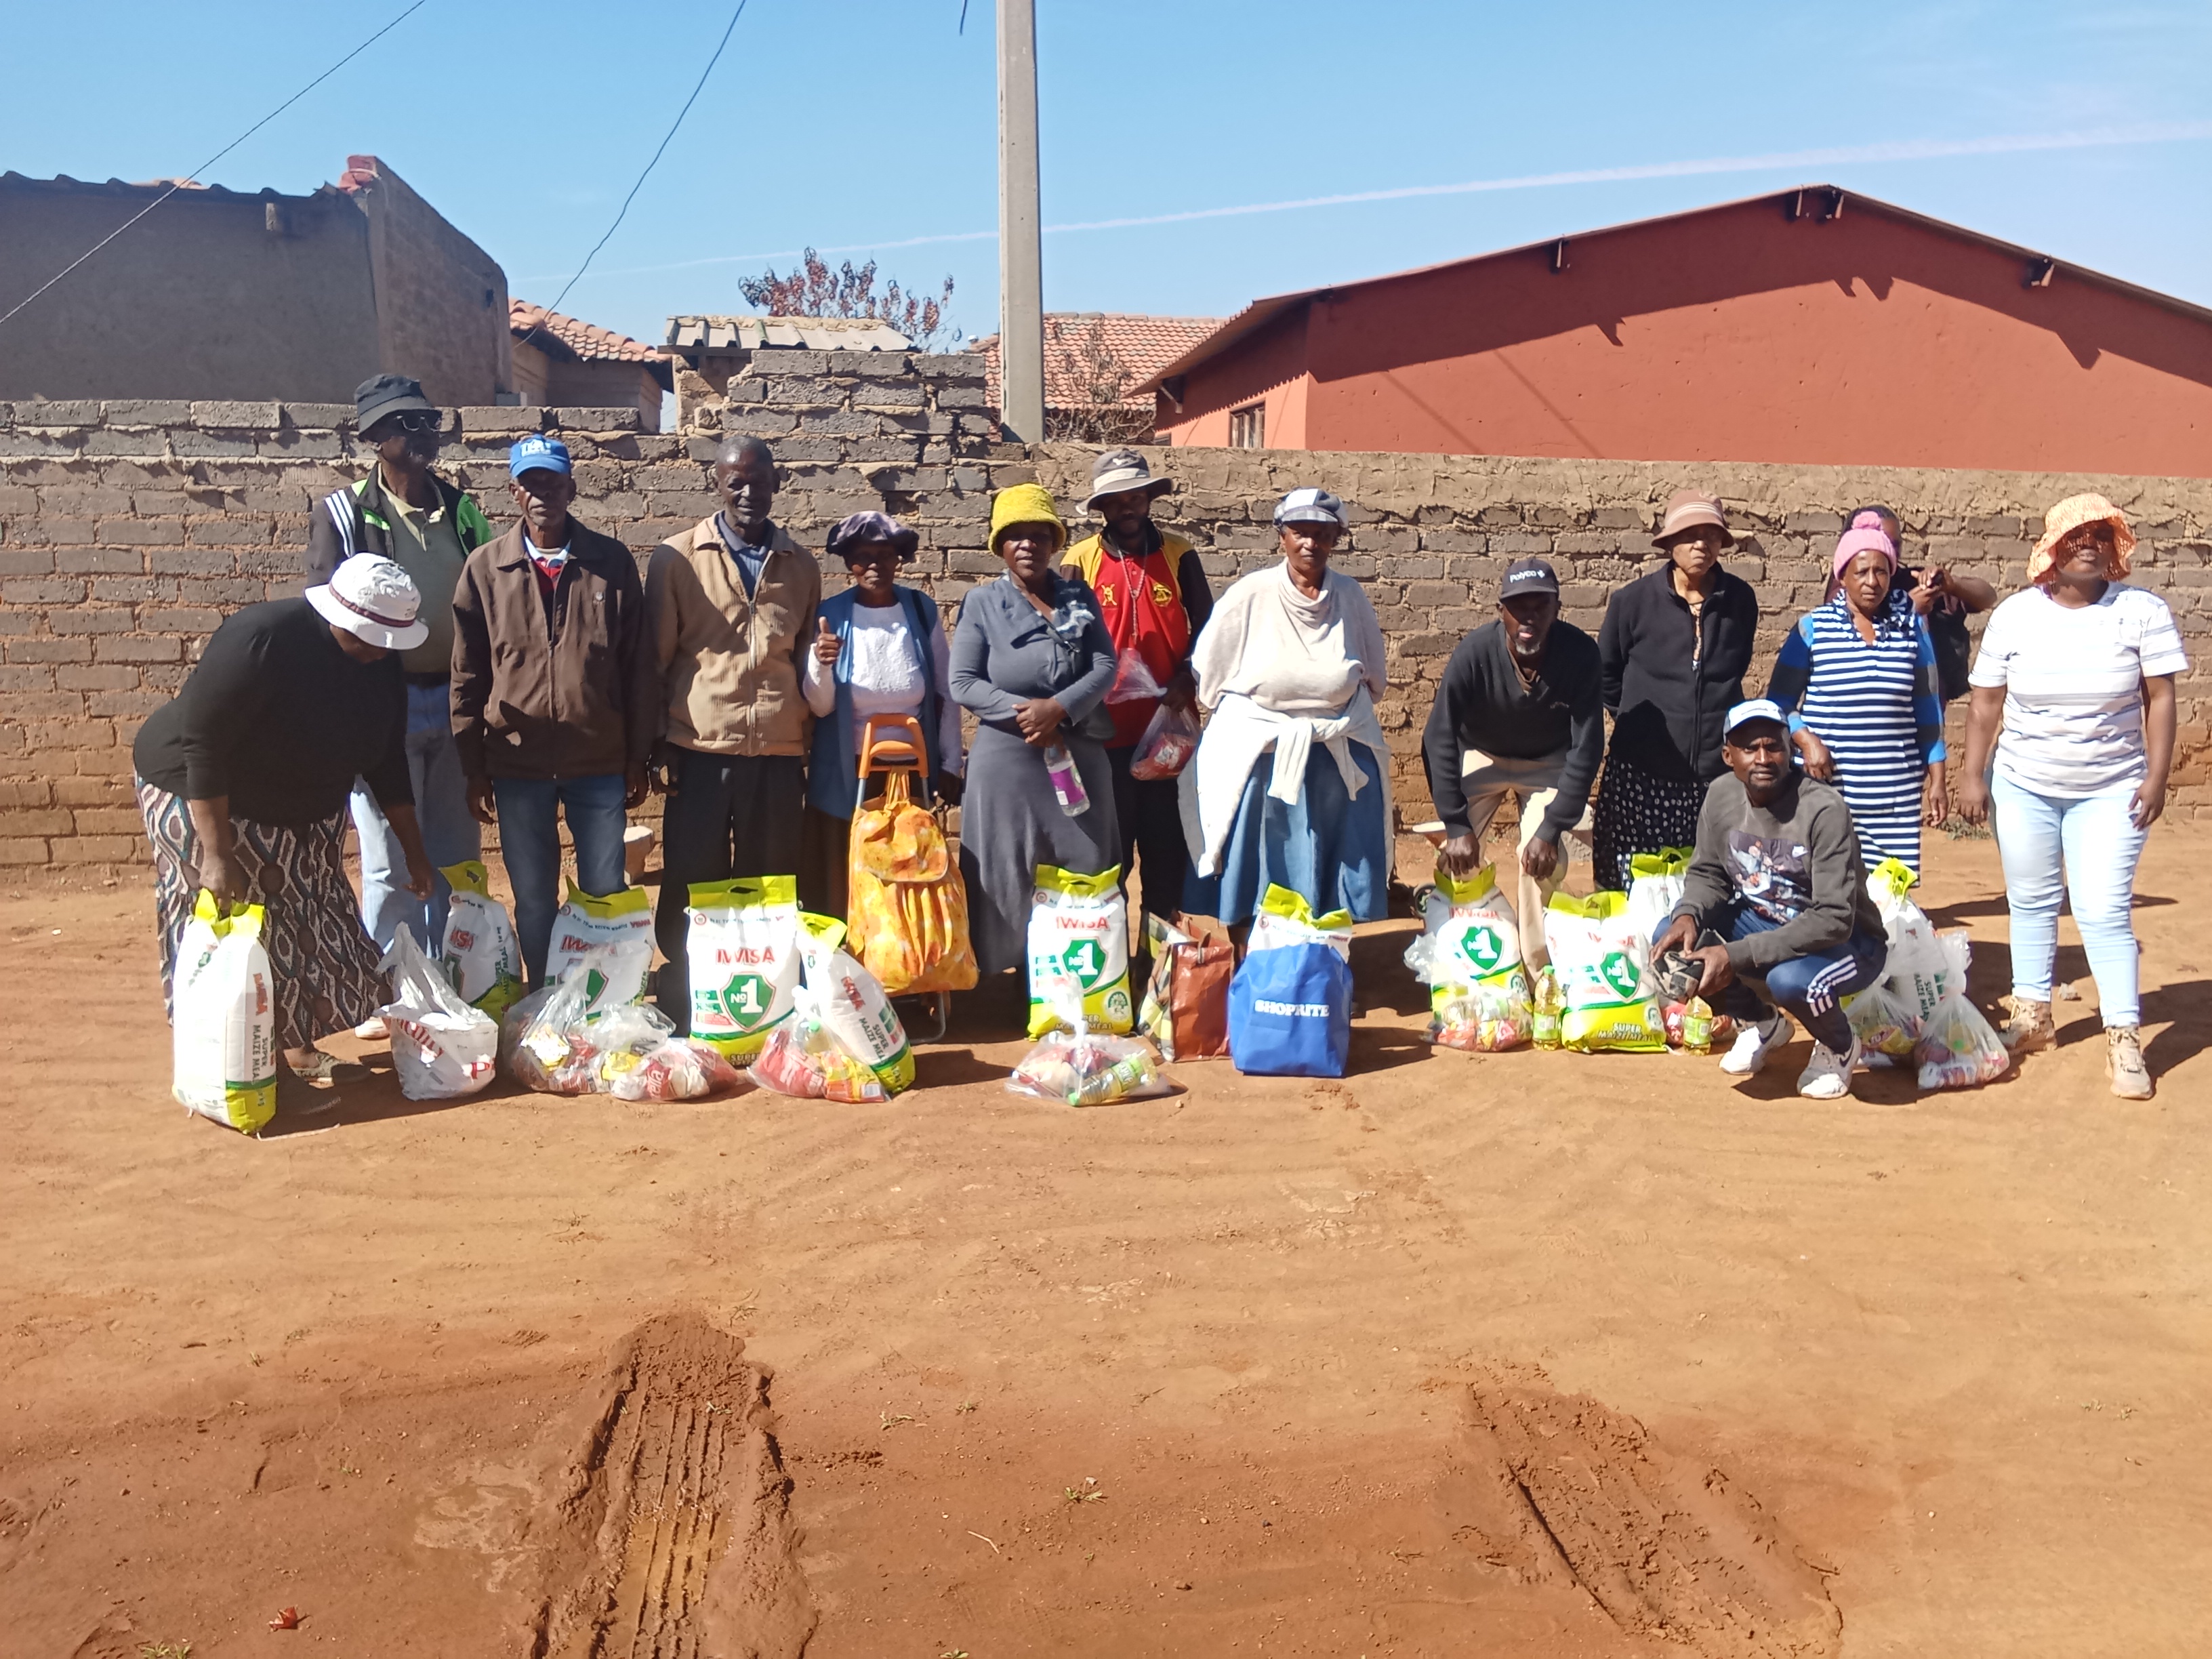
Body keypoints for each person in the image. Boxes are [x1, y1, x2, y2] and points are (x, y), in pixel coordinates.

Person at [133, 556, 435, 1094]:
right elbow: (202, 744)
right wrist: (218, 854)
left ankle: (294, 1046)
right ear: (340, 616)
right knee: (250, 928)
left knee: (308, 924)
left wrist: (413, 850)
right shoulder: (263, 639)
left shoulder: (381, 660)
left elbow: (386, 758)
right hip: (205, 798)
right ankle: (251, 1067)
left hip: (299, 809)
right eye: (372, 637)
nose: (381, 649)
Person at [1959, 493, 2186, 1100]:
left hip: (2112, 790)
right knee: (2031, 901)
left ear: (2116, 549)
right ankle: (2031, 1017)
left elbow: (2159, 698)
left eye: (2101, 535)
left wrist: (2157, 778)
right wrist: (1972, 774)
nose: (2089, 543)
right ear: (2051, 548)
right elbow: (1986, 703)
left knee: (2102, 910)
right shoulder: (2015, 616)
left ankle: (2124, 1035)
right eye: (2076, 534)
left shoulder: (2141, 612)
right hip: (2024, 784)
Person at [449, 435, 657, 987]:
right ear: (514, 492)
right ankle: (544, 999)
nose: (543, 493)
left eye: (553, 482)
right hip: (517, 765)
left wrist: (638, 756)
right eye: (531, 483)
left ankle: (602, 999)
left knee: (603, 891)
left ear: (572, 488)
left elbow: (638, 667)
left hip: (599, 760)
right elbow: (467, 676)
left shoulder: (609, 562)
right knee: (535, 897)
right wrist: (473, 767)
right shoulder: (486, 569)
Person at [306, 373, 491, 963]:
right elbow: (326, 617)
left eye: (428, 422)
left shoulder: (463, 512)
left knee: (457, 851)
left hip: (456, 701)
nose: (423, 434)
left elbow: (489, 598)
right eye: (406, 424)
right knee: (389, 856)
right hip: (385, 708)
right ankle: (395, 982)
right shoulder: (342, 514)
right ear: (375, 437)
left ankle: (454, 971)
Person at [644, 434, 821, 1029]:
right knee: (693, 877)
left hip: (775, 747)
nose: (749, 492)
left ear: (778, 484)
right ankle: (685, 992)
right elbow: (658, 658)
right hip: (699, 745)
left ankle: (765, 997)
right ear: (716, 484)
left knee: (770, 879)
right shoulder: (676, 558)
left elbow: (802, 657)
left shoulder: (800, 566)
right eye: (735, 481)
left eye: (760, 481)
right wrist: (657, 745)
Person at [1654, 699, 1889, 1101]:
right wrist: (1688, 914)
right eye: (1750, 748)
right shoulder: (1722, 796)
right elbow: (1708, 874)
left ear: (1791, 750)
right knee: (1677, 939)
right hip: (1768, 922)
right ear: (1729, 756)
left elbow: (1833, 918)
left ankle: (1840, 1045)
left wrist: (1738, 954)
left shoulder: (1824, 810)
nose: (1763, 758)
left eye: (1774, 746)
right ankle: (1762, 1023)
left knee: (1791, 981)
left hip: (1849, 944)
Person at [1185, 488, 1391, 928]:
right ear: (1281, 536)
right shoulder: (1252, 593)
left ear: (1337, 539)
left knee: (1339, 856)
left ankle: (1328, 964)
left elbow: (1374, 677)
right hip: (1262, 748)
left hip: (1335, 747)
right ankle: (1251, 965)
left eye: (1322, 533)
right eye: (1300, 532)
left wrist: (1323, 715)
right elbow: (1209, 669)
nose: (1310, 544)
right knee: (1256, 856)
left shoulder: (1350, 596)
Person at [949, 484, 1121, 975]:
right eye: (1016, 536)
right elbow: (963, 682)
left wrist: (1061, 709)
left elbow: (1104, 664)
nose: (1029, 545)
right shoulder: (982, 604)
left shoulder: (1075, 596)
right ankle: (1011, 975)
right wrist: (1028, 713)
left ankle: (1080, 971)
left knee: (1084, 857)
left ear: (1054, 542)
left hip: (1078, 749)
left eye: (1039, 536)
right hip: (1008, 759)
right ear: (1000, 547)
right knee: (1006, 866)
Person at [1061, 449, 1214, 937]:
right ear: (1101, 507)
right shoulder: (1078, 560)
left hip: (1168, 733)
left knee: (1165, 849)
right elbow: (1066, 638)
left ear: (1150, 498)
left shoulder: (1178, 552)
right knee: (1112, 851)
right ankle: (1115, 965)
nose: (1127, 507)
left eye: (1136, 496)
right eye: (1115, 499)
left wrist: (1187, 677)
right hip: (1103, 734)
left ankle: (1159, 960)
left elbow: (1208, 628)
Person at [1423, 558, 1603, 967]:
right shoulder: (1474, 653)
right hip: (1481, 753)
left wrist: (1553, 826)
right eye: (1518, 606)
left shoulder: (1579, 654)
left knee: (1539, 860)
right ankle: (1460, 967)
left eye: (1541, 606)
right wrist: (1455, 822)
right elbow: (1439, 737)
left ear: (1557, 608)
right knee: (1456, 855)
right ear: (1500, 610)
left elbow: (1587, 746)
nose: (1529, 617)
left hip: (1547, 760)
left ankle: (1540, 976)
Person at [799, 511, 964, 920]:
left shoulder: (920, 610)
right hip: (847, 772)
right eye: (862, 556)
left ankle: (907, 968)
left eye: (885, 554)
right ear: (848, 563)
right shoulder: (831, 615)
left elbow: (944, 692)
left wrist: (950, 763)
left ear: (899, 559)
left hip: (910, 772)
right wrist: (821, 664)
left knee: (906, 875)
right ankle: (846, 969)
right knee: (847, 877)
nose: (874, 564)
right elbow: (820, 706)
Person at [1593, 490, 1760, 892]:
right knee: (1632, 884)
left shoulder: (1740, 601)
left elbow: (1736, 669)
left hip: (1713, 776)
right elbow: (1606, 674)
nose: (1701, 544)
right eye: (1689, 534)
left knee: (1706, 883)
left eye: (1711, 535)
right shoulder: (1632, 602)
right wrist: (1642, 725)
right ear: (1669, 543)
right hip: (1643, 773)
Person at [1766, 523, 1947, 874]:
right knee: (1826, 887)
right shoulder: (1813, 628)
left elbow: (1928, 708)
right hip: (1828, 788)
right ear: (1843, 577)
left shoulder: (1912, 626)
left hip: (1895, 792)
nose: (1872, 581)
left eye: (1881, 571)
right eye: (1861, 571)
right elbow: (1779, 702)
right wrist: (1807, 741)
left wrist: (1937, 778)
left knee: (1889, 898)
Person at [1845, 503, 1996, 821]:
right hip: (1855, 738)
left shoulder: (1910, 579)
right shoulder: (1847, 588)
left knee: (1894, 830)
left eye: (1896, 544)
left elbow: (1986, 596)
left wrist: (1951, 585)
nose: (1888, 551)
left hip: (1908, 733)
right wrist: (1908, 610)